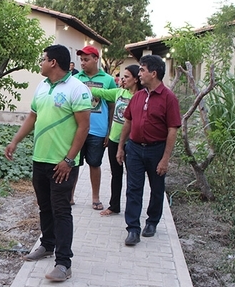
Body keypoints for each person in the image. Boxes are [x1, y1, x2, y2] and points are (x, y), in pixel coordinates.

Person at [4, 44, 91, 282]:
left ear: (53, 62)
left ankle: (64, 263)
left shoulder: (77, 88)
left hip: (62, 163)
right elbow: (32, 116)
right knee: (45, 207)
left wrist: (69, 159)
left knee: (61, 211)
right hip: (40, 158)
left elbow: (84, 127)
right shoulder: (42, 86)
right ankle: (47, 244)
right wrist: (15, 141)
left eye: (43, 59)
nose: (40, 63)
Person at [116, 55, 181, 246]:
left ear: (153, 73)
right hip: (134, 149)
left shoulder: (169, 98)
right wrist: (121, 147)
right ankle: (133, 229)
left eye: (142, 70)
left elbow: (172, 129)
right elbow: (128, 121)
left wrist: (165, 159)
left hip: (156, 150)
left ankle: (152, 222)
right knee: (133, 189)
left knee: (156, 188)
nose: (140, 73)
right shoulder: (137, 96)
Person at [89, 65, 143, 216]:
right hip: (114, 140)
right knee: (116, 174)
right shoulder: (119, 92)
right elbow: (100, 92)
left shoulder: (140, 97)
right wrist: (81, 85)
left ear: (136, 79)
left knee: (133, 178)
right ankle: (114, 206)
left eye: (126, 77)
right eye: (122, 76)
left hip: (131, 143)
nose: (122, 79)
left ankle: (133, 211)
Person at [71, 45, 117, 210]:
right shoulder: (76, 79)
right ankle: (70, 196)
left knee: (94, 163)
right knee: (73, 163)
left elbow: (113, 107)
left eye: (86, 59)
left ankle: (95, 197)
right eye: (81, 60)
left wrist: (109, 131)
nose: (82, 63)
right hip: (77, 129)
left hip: (98, 130)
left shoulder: (108, 80)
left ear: (96, 59)